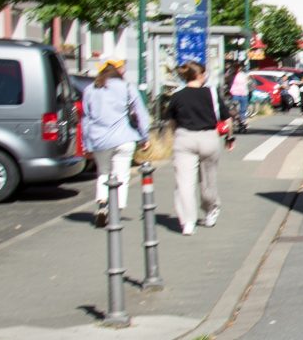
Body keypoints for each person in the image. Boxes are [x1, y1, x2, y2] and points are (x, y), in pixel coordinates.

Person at [163, 62, 234, 235]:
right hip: (208, 138)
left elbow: (171, 122)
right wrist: (230, 137)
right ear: (200, 75)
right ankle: (210, 210)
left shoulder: (177, 96)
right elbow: (226, 118)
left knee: (184, 183)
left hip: (184, 139)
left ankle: (188, 221)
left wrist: (176, 137)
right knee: (208, 180)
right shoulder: (211, 93)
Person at [81, 59, 150, 228]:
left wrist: (86, 144)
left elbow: (85, 119)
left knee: (103, 173)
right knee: (122, 175)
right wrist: (144, 136)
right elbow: (140, 113)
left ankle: (102, 205)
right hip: (123, 138)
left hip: (99, 140)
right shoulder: (127, 87)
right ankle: (116, 210)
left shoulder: (90, 89)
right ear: (117, 72)